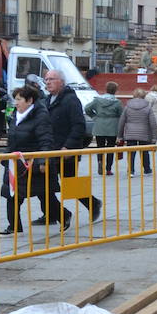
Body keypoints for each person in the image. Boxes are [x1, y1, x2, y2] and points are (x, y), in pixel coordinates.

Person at [39, 69, 103, 226]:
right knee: (43, 183)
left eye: (51, 79)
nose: (48, 82)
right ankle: (52, 213)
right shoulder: (48, 100)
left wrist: (68, 147)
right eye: (46, 79)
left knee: (70, 184)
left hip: (66, 151)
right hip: (51, 150)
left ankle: (92, 203)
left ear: (61, 81)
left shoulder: (70, 100)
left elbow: (78, 126)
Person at [0, 84, 65, 233]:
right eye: (15, 99)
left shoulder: (41, 116)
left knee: (46, 196)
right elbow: (12, 139)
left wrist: (43, 161)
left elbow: (46, 140)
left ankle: (64, 216)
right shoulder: (16, 115)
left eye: (19, 99)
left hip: (34, 164)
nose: (16, 102)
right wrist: (5, 157)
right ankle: (14, 226)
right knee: (12, 195)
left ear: (30, 101)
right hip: (15, 163)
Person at [86, 81, 123, 175]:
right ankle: (108, 169)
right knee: (111, 148)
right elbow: (121, 114)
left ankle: (100, 162)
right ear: (115, 91)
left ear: (106, 89)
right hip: (112, 126)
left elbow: (87, 108)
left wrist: (94, 116)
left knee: (100, 147)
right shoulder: (117, 102)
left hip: (99, 125)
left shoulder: (97, 100)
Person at [121, 87, 157, 176]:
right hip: (144, 133)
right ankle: (147, 169)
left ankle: (130, 171)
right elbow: (153, 123)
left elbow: (122, 122)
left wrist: (120, 135)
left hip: (130, 133)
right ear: (144, 96)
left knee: (131, 152)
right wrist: (154, 138)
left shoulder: (127, 107)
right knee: (144, 151)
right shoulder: (148, 107)